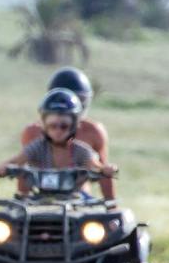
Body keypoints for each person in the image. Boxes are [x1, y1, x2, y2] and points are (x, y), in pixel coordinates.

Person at [0, 90, 113, 195]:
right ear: (44, 125)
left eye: (64, 126)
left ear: (74, 126)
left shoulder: (81, 151)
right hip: (39, 199)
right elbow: (16, 161)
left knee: (100, 219)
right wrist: (3, 168)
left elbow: (96, 166)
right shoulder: (37, 148)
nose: (58, 131)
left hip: (77, 200)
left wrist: (105, 169)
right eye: (53, 126)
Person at [20, 66, 111, 198]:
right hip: (40, 195)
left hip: (78, 197)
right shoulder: (33, 132)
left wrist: (111, 205)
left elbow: (103, 173)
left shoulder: (93, 131)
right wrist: (22, 199)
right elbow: (22, 171)